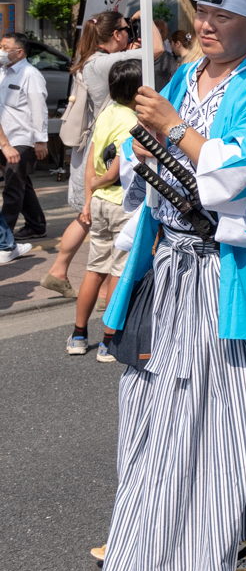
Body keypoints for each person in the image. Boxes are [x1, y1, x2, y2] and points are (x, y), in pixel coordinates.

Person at [96, 0, 246, 571]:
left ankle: (210, 539)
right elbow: (162, 160)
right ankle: (148, 526)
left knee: (226, 412)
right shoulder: (187, 76)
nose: (207, 26)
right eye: (203, 13)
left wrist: (173, 129)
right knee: (154, 400)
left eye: (223, 16)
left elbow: (241, 174)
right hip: (168, 261)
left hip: (228, 269)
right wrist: (146, 150)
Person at [65, 60, 140, 359]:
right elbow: (116, 172)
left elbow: (92, 161)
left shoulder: (107, 113)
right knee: (119, 273)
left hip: (98, 203)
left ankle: (78, 335)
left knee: (94, 269)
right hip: (123, 203)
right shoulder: (133, 122)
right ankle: (109, 340)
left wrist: (88, 197)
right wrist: (102, 180)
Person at [0, 32, 49, 241]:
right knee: (20, 182)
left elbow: (39, 109)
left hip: (22, 139)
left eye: (4, 47)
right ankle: (36, 224)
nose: (1, 51)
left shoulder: (31, 74)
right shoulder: (3, 72)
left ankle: (4, 234)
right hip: (5, 139)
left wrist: (40, 140)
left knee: (12, 186)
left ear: (19, 52)